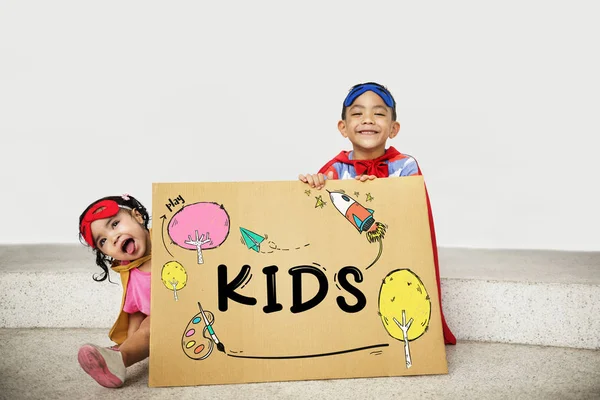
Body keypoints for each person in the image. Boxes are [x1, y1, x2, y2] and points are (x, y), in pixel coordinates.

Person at [299, 82, 456, 345]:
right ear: (343, 127)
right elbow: (319, 220)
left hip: (393, 255)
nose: (368, 120)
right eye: (357, 113)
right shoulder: (335, 169)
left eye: (379, 113)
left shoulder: (405, 165)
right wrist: (315, 185)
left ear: (393, 128)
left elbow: (411, 216)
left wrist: (380, 192)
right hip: (350, 261)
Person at [76, 194, 152, 388]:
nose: (113, 237)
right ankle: (119, 359)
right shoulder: (130, 272)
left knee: (152, 325)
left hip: (194, 306)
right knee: (149, 327)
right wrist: (130, 340)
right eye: (103, 241)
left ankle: (117, 357)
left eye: (115, 224)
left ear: (138, 217)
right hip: (162, 322)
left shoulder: (169, 241)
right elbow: (136, 310)